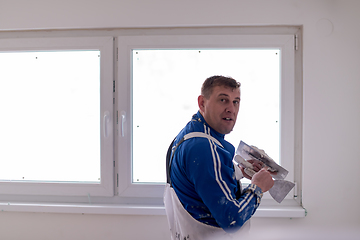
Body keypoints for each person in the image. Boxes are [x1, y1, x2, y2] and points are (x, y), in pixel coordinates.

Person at [164, 75, 274, 239]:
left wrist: (236, 172)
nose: (231, 109)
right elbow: (232, 221)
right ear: (202, 103)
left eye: (236, 101)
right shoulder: (205, 148)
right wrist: (257, 187)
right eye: (223, 100)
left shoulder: (189, 134)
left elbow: (199, 180)